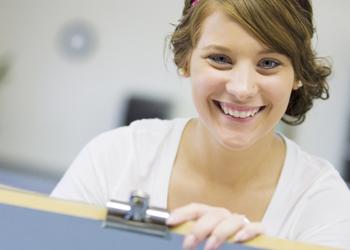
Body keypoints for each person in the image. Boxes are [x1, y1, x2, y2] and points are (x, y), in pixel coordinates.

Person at [51, 0, 350, 249]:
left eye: (269, 63)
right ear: (185, 59)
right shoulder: (115, 156)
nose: (242, 88)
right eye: (220, 58)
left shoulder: (322, 200)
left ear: (298, 73)